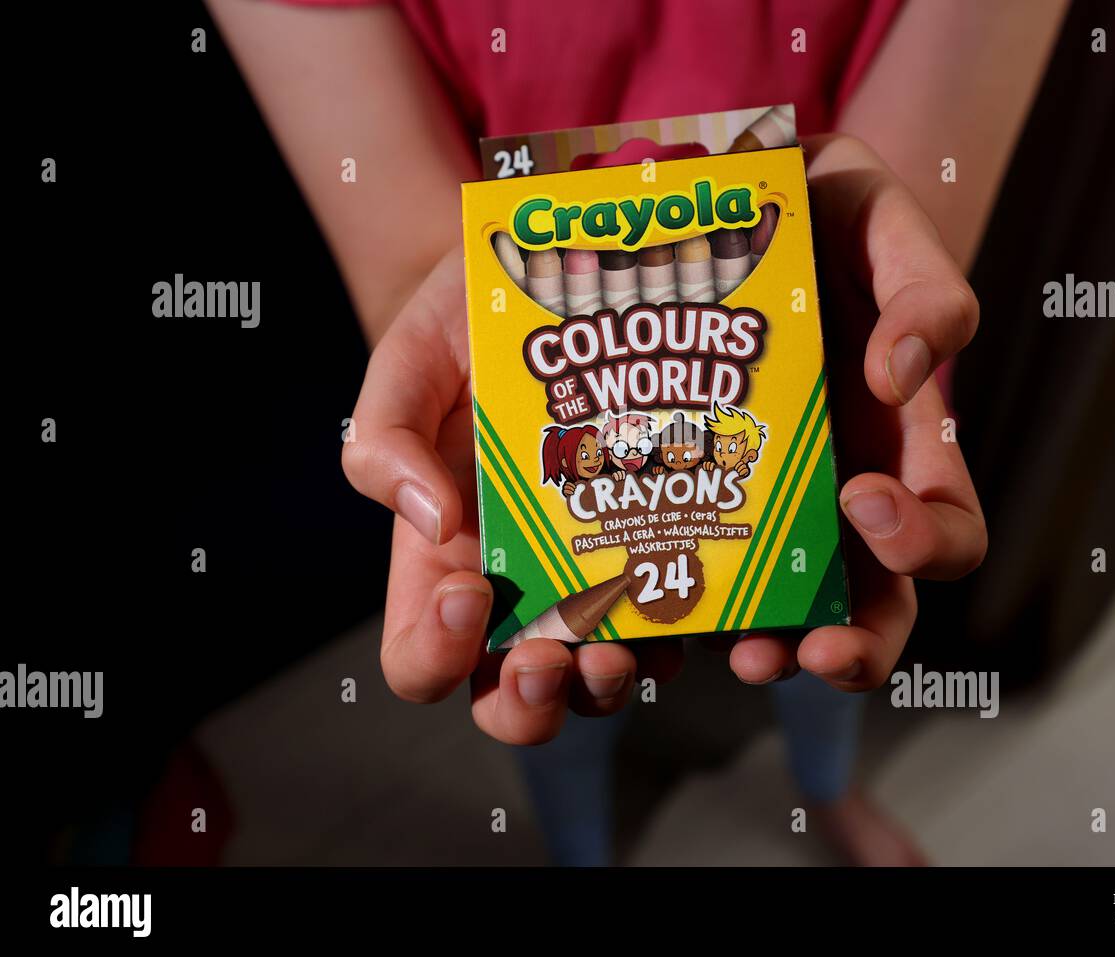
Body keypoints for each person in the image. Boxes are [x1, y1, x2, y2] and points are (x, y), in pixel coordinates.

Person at [208, 0, 1066, 864]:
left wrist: (860, 233)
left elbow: (914, 217)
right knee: (550, 687)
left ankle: (826, 788)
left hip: (843, 397)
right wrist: (454, 351)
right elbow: (405, 263)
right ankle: (584, 850)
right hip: (526, 470)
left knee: (838, 643)